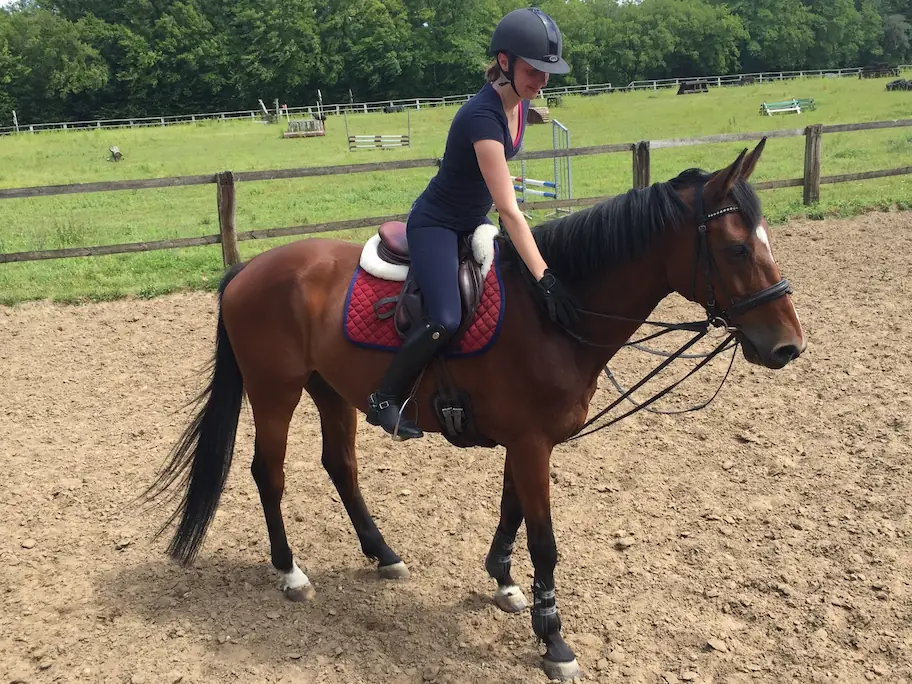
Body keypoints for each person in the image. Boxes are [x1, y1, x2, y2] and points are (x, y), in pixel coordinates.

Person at [367, 7, 580, 440]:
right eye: (533, 70)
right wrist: (546, 277)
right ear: (505, 62)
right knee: (445, 316)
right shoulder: (482, 118)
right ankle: (384, 398)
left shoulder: (518, 103)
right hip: (438, 223)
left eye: (547, 72)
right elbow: (511, 212)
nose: (541, 81)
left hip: (471, 218)